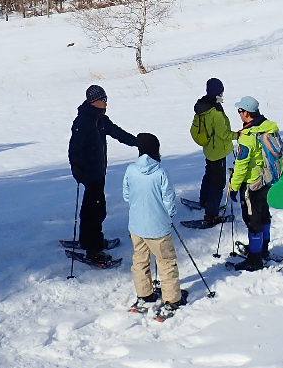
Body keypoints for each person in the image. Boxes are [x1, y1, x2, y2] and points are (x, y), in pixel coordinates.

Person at [68, 84, 139, 265]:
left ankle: (87, 240)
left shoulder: (101, 119)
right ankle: (94, 250)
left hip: (99, 172)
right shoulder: (83, 121)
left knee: (90, 207)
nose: (106, 102)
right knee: (97, 211)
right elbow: (74, 146)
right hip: (89, 173)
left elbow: (118, 133)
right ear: (94, 101)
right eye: (103, 99)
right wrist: (75, 165)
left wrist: (138, 142)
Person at [122, 132, 188, 318]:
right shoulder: (160, 173)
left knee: (140, 260)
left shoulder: (131, 170)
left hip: (136, 226)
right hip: (158, 228)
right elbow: (169, 201)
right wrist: (169, 215)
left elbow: (126, 196)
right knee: (166, 262)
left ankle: (145, 294)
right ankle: (172, 299)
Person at [229, 96, 280, 271]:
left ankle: (255, 259)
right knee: (264, 215)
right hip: (267, 181)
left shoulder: (248, 137)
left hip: (252, 185)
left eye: (240, 111)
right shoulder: (268, 127)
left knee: (253, 221)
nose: (239, 114)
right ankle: (263, 249)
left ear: (247, 113)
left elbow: (241, 166)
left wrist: (234, 187)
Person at [189, 77, 237, 225]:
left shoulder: (203, 105)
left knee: (209, 176)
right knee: (218, 183)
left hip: (209, 149)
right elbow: (224, 134)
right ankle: (211, 215)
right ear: (218, 92)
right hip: (218, 152)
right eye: (221, 92)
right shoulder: (215, 112)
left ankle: (204, 201)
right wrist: (238, 135)